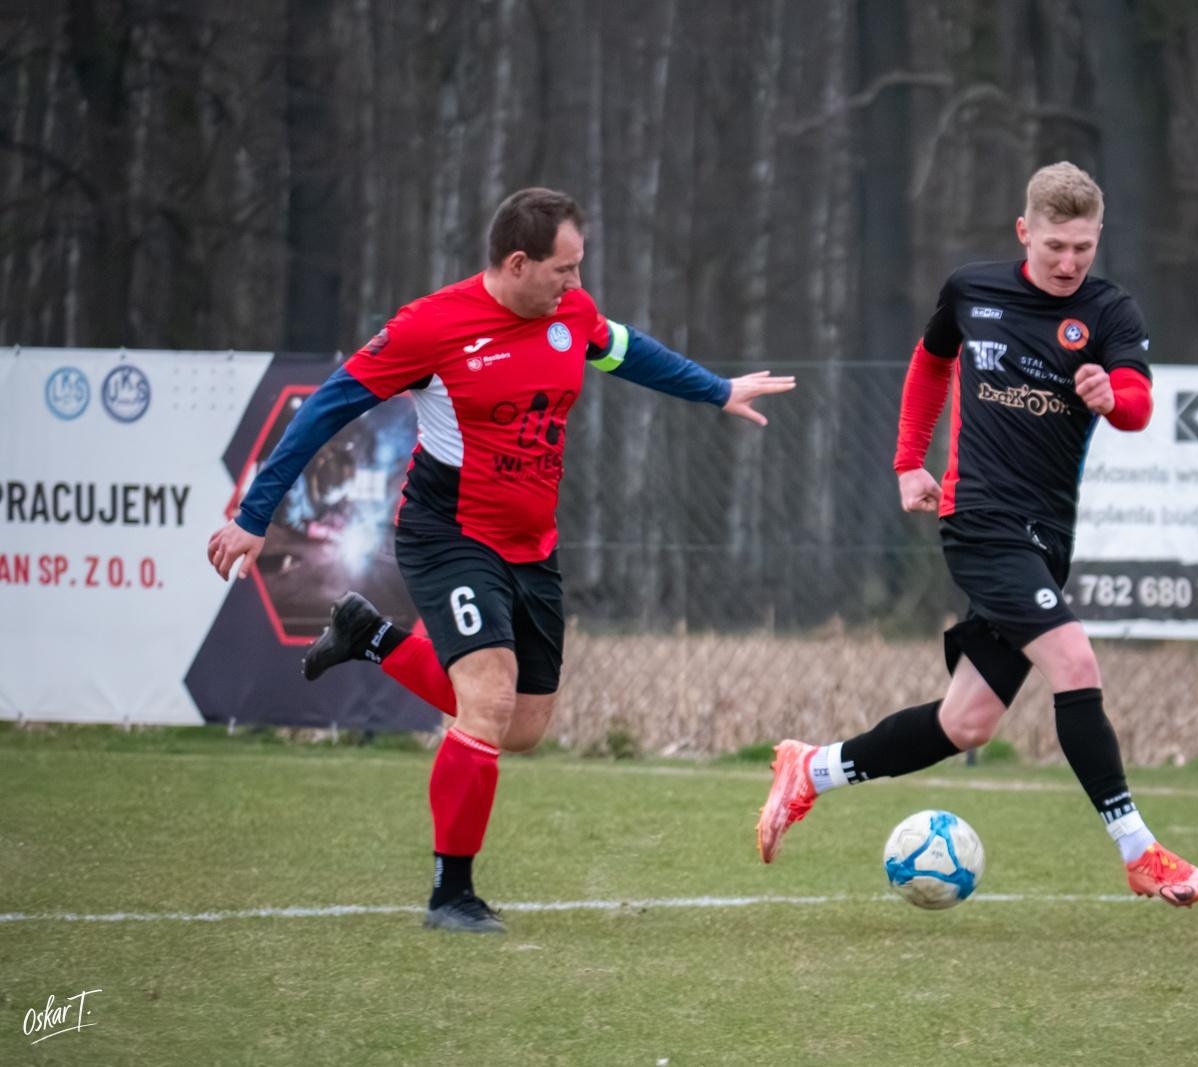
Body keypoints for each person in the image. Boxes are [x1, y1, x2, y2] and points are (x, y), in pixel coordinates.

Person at [207, 187, 795, 933]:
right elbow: (327, 407)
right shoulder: (431, 327)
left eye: (579, 267)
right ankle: (450, 895)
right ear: (518, 263)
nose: (575, 283)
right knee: (486, 704)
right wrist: (254, 515)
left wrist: (717, 390)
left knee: (521, 728)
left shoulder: (571, 314)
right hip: (448, 533)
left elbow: (626, 349)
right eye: (563, 269)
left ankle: (371, 637)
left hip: (533, 543)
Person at [755, 162, 1198, 907]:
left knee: (966, 722)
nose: (1068, 262)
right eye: (1054, 246)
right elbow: (930, 363)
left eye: (1083, 247)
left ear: (1099, 238)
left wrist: (1112, 396)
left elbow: (1137, 401)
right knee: (1074, 659)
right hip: (980, 520)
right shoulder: (973, 290)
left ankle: (811, 770)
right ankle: (1140, 852)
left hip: (1046, 536)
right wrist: (909, 461)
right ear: (1024, 232)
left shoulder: (1109, 310)